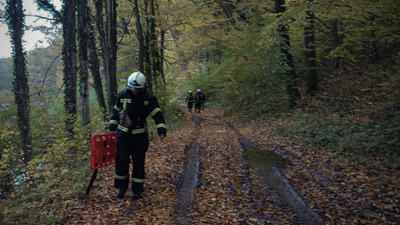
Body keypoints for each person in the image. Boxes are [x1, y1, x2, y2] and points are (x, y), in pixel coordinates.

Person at [108, 71, 166, 200]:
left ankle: (137, 189)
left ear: (143, 86)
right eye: (132, 87)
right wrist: (112, 127)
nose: (134, 90)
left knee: (138, 163)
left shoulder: (149, 98)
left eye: (138, 88)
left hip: (139, 138)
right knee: (121, 160)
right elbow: (115, 112)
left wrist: (161, 129)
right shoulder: (123, 95)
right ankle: (122, 187)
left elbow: (157, 114)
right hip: (123, 136)